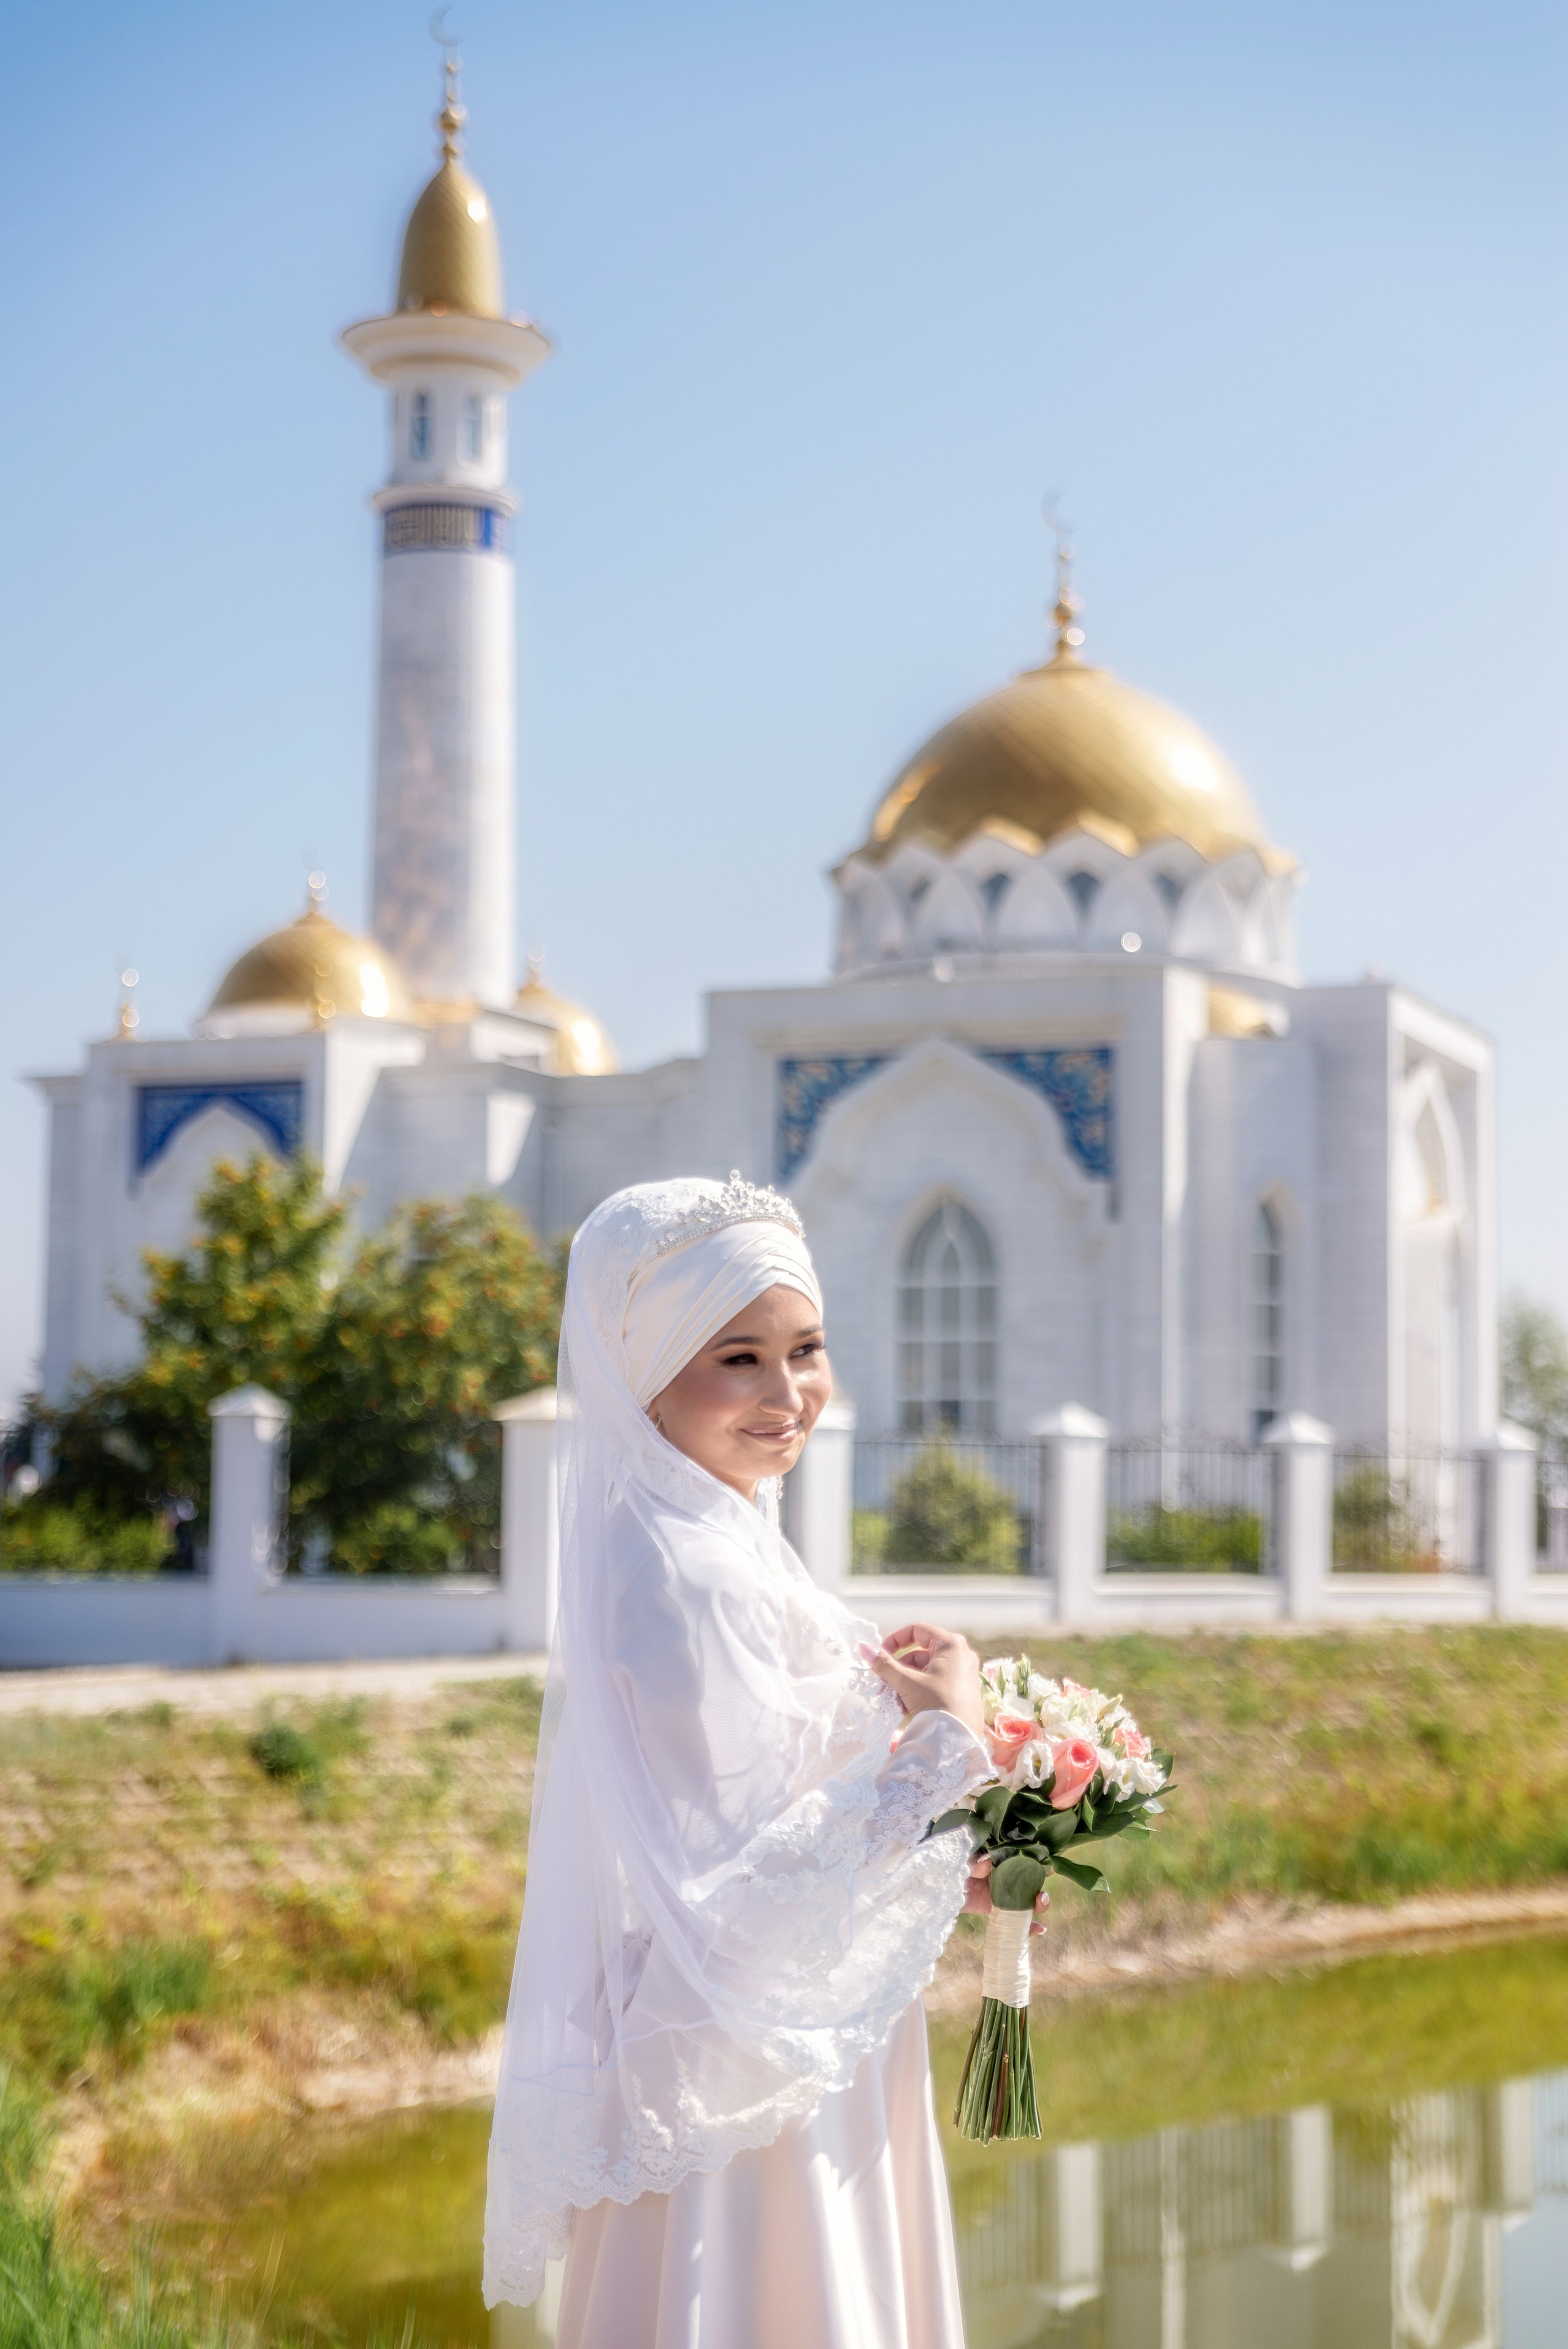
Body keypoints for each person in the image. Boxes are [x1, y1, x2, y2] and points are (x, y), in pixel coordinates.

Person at [484, 1173, 1043, 2348]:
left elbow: (785, 1814)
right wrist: (946, 1738)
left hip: (774, 2045)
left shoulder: (711, 1526)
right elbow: (741, 1902)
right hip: (748, 2080)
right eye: (736, 1356)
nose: (788, 1394)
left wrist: (954, 1848)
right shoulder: (685, 1569)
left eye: (807, 1349)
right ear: (644, 1364)